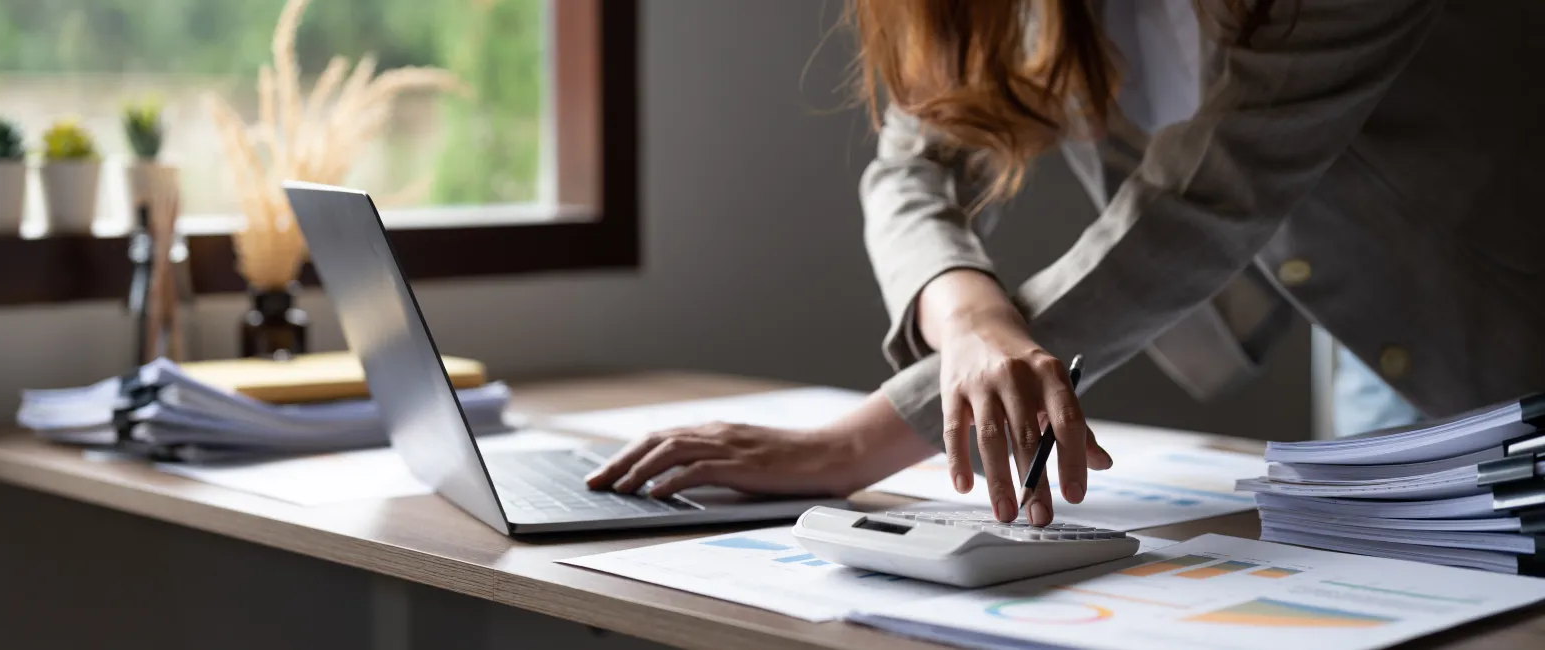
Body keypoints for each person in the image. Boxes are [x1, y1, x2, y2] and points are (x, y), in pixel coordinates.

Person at [587, 0, 1545, 526]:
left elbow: (1207, 196)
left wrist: (855, 446)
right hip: (1368, 327)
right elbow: (912, 163)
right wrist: (968, 321)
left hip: (1506, 302)